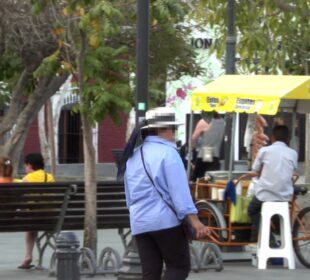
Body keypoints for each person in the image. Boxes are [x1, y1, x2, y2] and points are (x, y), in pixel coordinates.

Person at [118, 107, 210, 280]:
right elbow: (179, 192)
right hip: (165, 221)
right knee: (179, 266)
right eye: (173, 129)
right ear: (161, 130)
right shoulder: (169, 153)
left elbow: (129, 195)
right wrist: (195, 221)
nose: (174, 134)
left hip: (139, 222)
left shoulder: (133, 156)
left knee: (150, 273)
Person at [239, 125, 298, 242]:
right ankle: (278, 232)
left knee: (253, 210)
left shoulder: (264, 151)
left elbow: (255, 170)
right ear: (288, 139)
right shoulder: (293, 153)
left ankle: (269, 239)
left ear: (272, 138)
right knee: (278, 208)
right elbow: (292, 169)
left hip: (265, 194)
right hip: (285, 195)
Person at [18, 153, 55, 269]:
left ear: (30, 165)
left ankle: (28, 255)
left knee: (30, 226)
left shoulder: (27, 179)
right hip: (50, 217)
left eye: (25, 165)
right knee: (33, 221)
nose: (25, 167)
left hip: (32, 217)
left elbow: (19, 198)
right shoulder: (49, 177)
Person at [191, 111, 225, 181]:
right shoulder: (223, 122)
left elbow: (194, 138)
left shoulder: (203, 122)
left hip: (204, 155)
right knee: (212, 181)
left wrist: (191, 148)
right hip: (216, 156)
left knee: (197, 180)